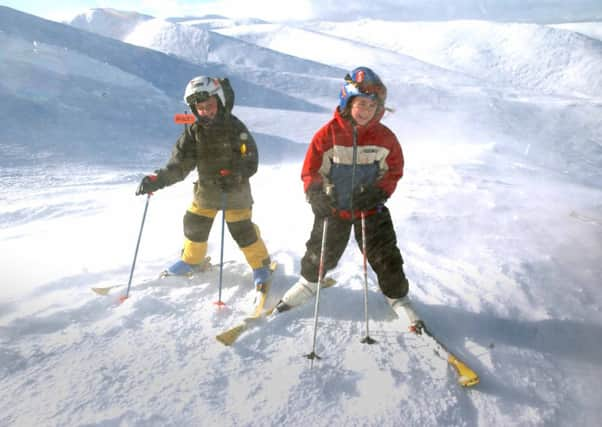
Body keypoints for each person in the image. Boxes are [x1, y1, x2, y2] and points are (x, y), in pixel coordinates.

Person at [274, 66, 422, 333]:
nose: (365, 110)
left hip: (370, 209)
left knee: (386, 256)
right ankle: (309, 283)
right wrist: (315, 194)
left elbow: (393, 170)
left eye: (371, 105)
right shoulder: (327, 135)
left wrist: (380, 191)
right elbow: (311, 171)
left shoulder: (385, 138)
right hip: (334, 208)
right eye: (360, 104)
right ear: (347, 102)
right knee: (319, 252)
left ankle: (398, 297)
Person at [135, 76, 272, 302]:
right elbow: (179, 165)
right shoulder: (193, 131)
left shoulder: (235, 127)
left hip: (235, 191)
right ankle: (193, 260)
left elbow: (251, 159)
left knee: (241, 230)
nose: (206, 112)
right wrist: (157, 180)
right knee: (193, 223)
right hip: (207, 190)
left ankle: (261, 266)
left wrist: (236, 174)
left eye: (210, 106)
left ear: (220, 101)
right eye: (200, 108)